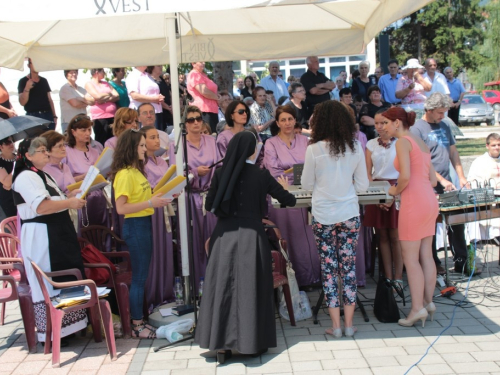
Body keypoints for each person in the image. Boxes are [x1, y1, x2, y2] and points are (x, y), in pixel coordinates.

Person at [195, 131, 295, 363]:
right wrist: (283, 186)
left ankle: (221, 345)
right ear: (252, 150)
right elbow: (287, 200)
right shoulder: (261, 175)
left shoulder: (220, 173)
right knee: (251, 288)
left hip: (224, 236)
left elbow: (211, 205)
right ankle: (251, 344)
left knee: (223, 287)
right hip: (252, 236)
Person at [301, 100, 369, 338]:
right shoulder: (355, 147)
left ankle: (336, 327)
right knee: (348, 268)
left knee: (329, 270)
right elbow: (362, 185)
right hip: (349, 212)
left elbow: (307, 184)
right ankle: (350, 325)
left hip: (323, 214)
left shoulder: (314, 149)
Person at [12, 137, 87, 343]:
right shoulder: (26, 176)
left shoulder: (41, 174)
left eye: (47, 150)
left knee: (64, 274)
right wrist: (69, 202)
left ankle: (70, 327)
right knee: (49, 278)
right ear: (28, 155)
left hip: (55, 231)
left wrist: (68, 196)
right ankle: (54, 332)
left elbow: (54, 200)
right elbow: (42, 207)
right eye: (42, 150)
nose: (46, 153)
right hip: (42, 235)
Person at [382, 107, 439, 327]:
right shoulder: (420, 141)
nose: (384, 127)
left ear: (397, 122)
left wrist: (393, 192)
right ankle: (428, 302)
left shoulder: (403, 142)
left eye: (386, 123)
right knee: (426, 255)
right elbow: (433, 180)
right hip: (429, 200)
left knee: (411, 260)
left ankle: (417, 309)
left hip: (413, 203)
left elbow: (404, 177)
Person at [111, 129, 171, 338]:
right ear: (131, 147)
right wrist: (150, 202)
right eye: (142, 146)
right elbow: (121, 208)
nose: (145, 149)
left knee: (142, 276)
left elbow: (146, 197)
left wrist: (165, 195)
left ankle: (140, 321)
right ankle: (137, 325)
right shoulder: (125, 174)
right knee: (139, 277)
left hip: (144, 223)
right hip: (135, 226)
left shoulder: (137, 171)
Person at [410, 92, 469, 273]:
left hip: (447, 182)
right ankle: (434, 262)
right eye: (440, 113)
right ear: (429, 109)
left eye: (444, 112)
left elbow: (453, 152)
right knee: (431, 226)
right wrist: (441, 180)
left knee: (457, 221)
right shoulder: (417, 129)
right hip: (426, 184)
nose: (443, 116)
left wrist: (461, 176)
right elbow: (422, 161)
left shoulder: (445, 125)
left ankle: (462, 261)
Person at [264, 106, 320, 286]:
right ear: (278, 123)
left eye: (290, 119)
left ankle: (313, 277)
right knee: (288, 237)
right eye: (283, 120)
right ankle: (290, 281)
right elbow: (273, 171)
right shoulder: (270, 143)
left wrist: (294, 176)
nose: (287, 123)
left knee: (308, 238)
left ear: (295, 120)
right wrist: (297, 175)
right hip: (282, 196)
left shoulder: (306, 141)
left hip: (306, 195)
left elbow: (315, 166)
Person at [364, 110, 403, 290]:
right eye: (377, 124)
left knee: (396, 235)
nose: (380, 127)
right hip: (377, 188)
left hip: (398, 188)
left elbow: (405, 173)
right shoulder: (371, 144)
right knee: (382, 236)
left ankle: (398, 277)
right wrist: (377, 196)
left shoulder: (401, 143)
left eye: (383, 122)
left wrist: (392, 196)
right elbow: (367, 174)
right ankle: (387, 276)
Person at [182, 105, 218, 286]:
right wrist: (195, 172)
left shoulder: (211, 141)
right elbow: (177, 175)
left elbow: (220, 166)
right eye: (191, 120)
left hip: (211, 198)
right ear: (185, 124)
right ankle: (199, 284)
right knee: (195, 242)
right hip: (192, 198)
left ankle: (218, 282)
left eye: (198, 118)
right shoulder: (180, 145)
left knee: (215, 239)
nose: (195, 122)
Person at [140, 126, 176, 307]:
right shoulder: (140, 163)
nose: (156, 140)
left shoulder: (161, 161)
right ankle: (153, 295)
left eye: (157, 137)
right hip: (151, 209)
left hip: (164, 207)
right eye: (152, 137)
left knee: (166, 249)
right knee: (154, 251)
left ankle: (166, 292)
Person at [64, 115, 109, 229]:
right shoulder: (66, 151)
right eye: (83, 130)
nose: (88, 133)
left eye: (89, 130)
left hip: (98, 196)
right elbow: (63, 179)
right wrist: (85, 176)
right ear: (73, 132)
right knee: (84, 227)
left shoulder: (94, 151)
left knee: (100, 227)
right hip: (80, 196)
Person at [466, 133, 500, 242]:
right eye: (494, 145)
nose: (497, 147)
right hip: (488, 196)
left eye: (499, 145)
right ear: (487, 146)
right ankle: (493, 235)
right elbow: (472, 181)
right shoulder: (479, 162)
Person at [18, 58, 57, 130]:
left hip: (47, 115)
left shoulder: (44, 80)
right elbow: (22, 102)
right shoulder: (23, 81)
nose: (37, 65)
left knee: (50, 140)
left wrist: (54, 116)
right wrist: (27, 88)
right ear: (29, 65)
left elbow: (49, 99)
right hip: (33, 116)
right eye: (34, 63)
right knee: (36, 140)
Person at [85, 68, 119, 145]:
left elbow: (116, 95)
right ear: (97, 72)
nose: (105, 73)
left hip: (112, 116)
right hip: (100, 118)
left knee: (113, 140)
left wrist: (105, 99)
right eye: (103, 71)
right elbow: (97, 97)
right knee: (102, 140)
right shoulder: (89, 84)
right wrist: (110, 95)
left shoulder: (106, 83)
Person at [186, 62, 219, 133]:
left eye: (204, 61)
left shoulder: (203, 74)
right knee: (207, 134)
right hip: (203, 110)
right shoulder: (194, 74)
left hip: (211, 109)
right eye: (201, 62)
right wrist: (217, 98)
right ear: (193, 64)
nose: (203, 63)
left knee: (213, 135)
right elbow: (204, 91)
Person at [0, 137, 17, 217]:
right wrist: (17, 166)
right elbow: (7, 182)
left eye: (12, 141)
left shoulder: (18, 157)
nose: (11, 144)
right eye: (7, 143)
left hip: (23, 196)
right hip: (9, 200)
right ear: (1, 147)